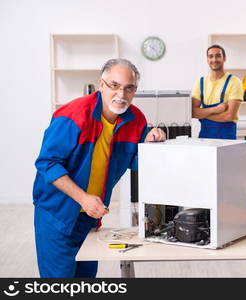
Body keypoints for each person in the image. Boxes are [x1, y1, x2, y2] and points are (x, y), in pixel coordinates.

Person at [33, 58, 165, 278]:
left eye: (129, 88)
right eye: (114, 85)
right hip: (56, 214)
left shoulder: (136, 120)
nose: (121, 94)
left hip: (90, 216)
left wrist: (153, 143)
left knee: (86, 280)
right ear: (101, 84)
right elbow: (47, 163)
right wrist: (83, 198)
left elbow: (135, 161)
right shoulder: (72, 115)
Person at [191, 44, 243, 140]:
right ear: (207, 60)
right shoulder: (201, 82)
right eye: (211, 56)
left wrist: (203, 115)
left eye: (218, 56)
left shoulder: (235, 82)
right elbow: (193, 112)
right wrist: (216, 109)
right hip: (204, 139)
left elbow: (229, 116)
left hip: (226, 140)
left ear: (224, 58)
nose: (214, 60)